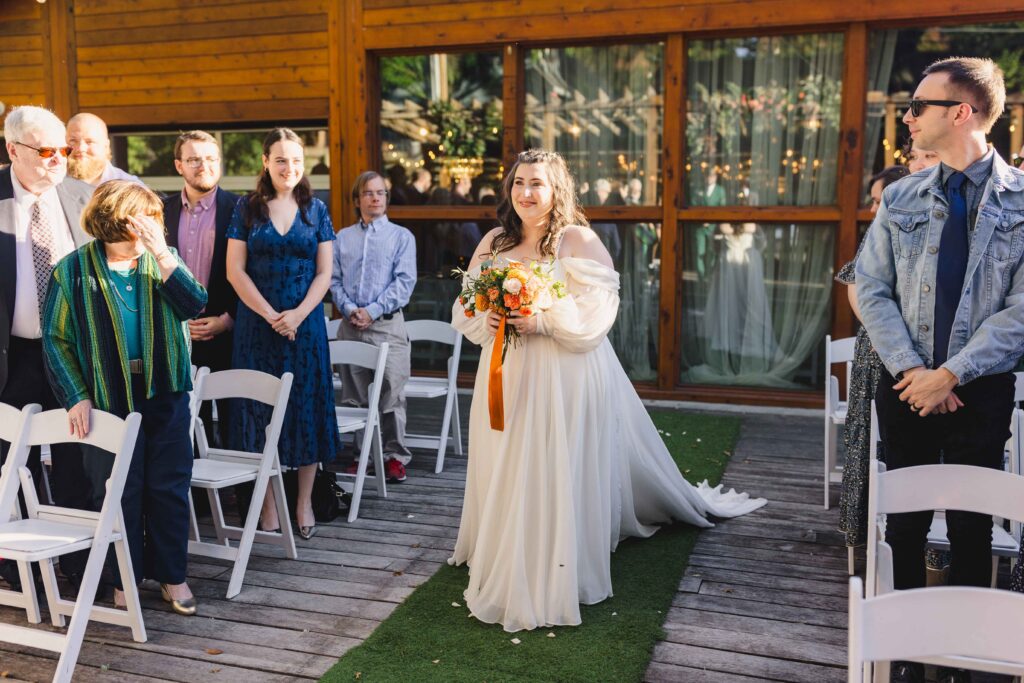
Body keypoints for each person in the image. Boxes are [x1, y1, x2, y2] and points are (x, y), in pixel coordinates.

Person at [449, 149, 766, 632]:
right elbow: (465, 304)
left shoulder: (577, 239)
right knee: (507, 454)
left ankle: (555, 553)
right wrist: (485, 317)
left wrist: (543, 320)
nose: (526, 193)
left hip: (563, 374)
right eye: (518, 183)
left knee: (554, 458)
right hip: (507, 371)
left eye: (536, 183)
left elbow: (599, 312)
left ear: (556, 190)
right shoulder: (494, 241)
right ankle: (505, 542)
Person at [856, 58, 1024, 683]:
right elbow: (871, 289)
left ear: (962, 112)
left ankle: (963, 658)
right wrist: (914, 371)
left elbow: (1021, 311)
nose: (907, 116)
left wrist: (950, 374)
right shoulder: (900, 196)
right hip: (904, 388)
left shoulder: (1022, 203)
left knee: (974, 522)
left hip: (978, 392)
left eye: (919, 105)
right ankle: (905, 652)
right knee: (904, 521)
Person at [43, 180, 206, 615]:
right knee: (118, 491)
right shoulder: (72, 270)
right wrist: (75, 395)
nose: (151, 233)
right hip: (106, 396)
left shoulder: (161, 262)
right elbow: (56, 339)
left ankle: (173, 577)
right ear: (113, 224)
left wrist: (163, 254)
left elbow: (195, 305)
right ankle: (124, 581)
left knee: (168, 487)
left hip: (165, 390)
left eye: (154, 224)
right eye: (141, 225)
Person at [226, 128, 338, 540]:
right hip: (257, 325)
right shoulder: (246, 209)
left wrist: (297, 316)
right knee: (258, 413)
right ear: (265, 162)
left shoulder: (317, 210)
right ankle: (269, 505)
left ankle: (303, 501)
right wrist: (273, 314)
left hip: (305, 328)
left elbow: (325, 273)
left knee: (306, 407)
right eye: (280, 160)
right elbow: (234, 270)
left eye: (295, 160)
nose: (288, 167)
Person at [0, 106, 94, 591]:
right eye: (46, 151)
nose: (59, 160)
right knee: (10, 461)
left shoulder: (83, 197)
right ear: (13, 150)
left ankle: (80, 569)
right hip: (10, 356)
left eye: (65, 149)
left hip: (70, 353)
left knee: (76, 454)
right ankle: (19, 572)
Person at [834, 165, 911, 551]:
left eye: (880, 199)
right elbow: (853, 282)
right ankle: (863, 535)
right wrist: (884, 332)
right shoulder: (877, 232)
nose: (873, 207)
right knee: (866, 439)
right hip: (877, 349)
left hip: (910, 354)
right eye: (875, 199)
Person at [330, 171, 416, 483]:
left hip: (387, 328)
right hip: (351, 327)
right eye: (368, 193)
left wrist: (372, 310)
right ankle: (363, 454)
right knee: (355, 397)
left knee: (392, 394)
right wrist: (352, 310)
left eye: (380, 192)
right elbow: (333, 279)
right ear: (357, 199)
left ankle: (394, 457)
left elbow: (404, 284)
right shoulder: (342, 238)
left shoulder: (402, 238)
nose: (375, 198)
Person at [162, 131, 239, 447]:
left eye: (210, 159)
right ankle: (197, 495)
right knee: (186, 425)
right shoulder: (160, 210)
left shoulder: (241, 209)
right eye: (194, 159)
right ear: (179, 165)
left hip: (228, 333)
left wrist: (227, 320)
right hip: (177, 335)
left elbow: (253, 274)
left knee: (235, 419)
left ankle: (241, 494)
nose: (202, 166)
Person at [66, 113, 142, 187]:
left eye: (89, 142)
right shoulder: (55, 185)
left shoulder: (129, 187)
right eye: (72, 141)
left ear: (106, 145)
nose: (80, 148)